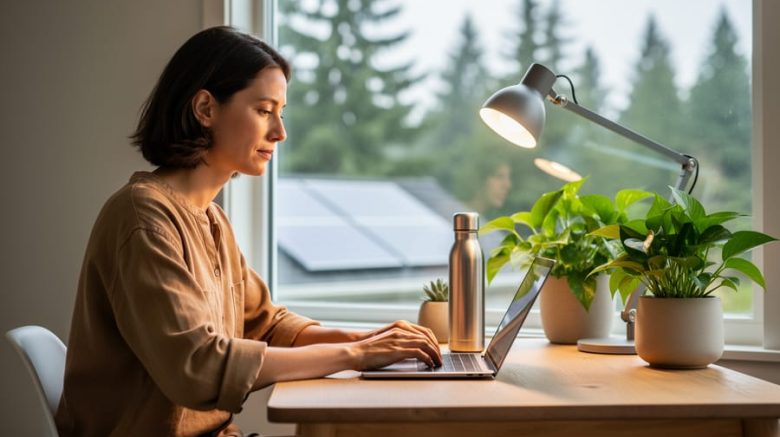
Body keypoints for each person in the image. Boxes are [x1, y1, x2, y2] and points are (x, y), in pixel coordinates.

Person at [55, 26, 441, 437]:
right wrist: (356, 354)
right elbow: (199, 367)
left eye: (282, 112)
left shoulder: (211, 220)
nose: (280, 132)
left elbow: (267, 324)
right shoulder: (143, 216)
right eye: (263, 110)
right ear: (205, 108)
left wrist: (370, 339)